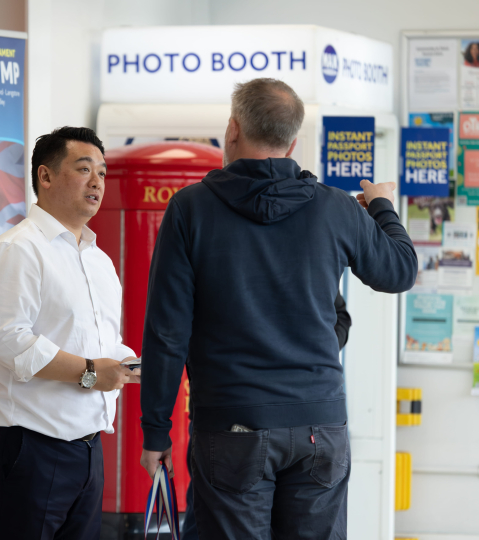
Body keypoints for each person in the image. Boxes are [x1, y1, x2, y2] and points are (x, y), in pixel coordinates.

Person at [138, 78, 417, 539]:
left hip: (230, 426)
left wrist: (155, 431)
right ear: (292, 143)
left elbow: (168, 333)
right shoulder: (336, 209)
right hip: (319, 427)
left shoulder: (190, 210)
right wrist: (383, 207)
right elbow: (400, 271)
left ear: (232, 129)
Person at [0, 127, 141, 539]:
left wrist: (134, 365)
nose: (97, 182)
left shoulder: (99, 261)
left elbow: (99, 343)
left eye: (102, 173)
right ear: (45, 177)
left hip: (87, 448)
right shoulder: (18, 250)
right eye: (84, 170)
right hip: (31, 445)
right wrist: (89, 372)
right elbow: (11, 343)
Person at [181, 291, 352, 539]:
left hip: (235, 417)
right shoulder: (311, 253)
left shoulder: (208, 253)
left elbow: (170, 327)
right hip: (291, 418)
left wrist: (156, 427)